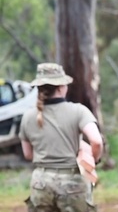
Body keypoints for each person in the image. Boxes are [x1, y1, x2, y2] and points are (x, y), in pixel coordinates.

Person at [19, 63, 103, 212]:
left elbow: (28, 154)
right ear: (61, 87)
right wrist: (93, 160)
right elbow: (96, 141)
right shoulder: (78, 111)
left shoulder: (27, 116)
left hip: (41, 183)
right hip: (73, 182)